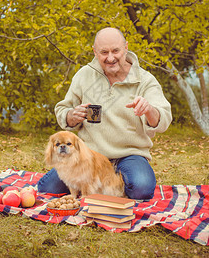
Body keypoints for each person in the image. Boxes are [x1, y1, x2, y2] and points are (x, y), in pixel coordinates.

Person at [38, 27, 172, 199]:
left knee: (141, 188)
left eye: (115, 50)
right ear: (95, 52)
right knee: (47, 188)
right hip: (90, 155)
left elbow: (164, 118)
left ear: (126, 47)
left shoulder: (145, 80)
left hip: (129, 155)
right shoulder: (84, 75)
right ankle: (103, 185)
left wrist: (149, 110)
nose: (110, 58)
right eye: (104, 52)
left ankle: (107, 183)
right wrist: (71, 116)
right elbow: (63, 110)